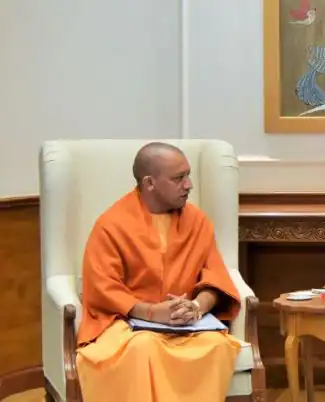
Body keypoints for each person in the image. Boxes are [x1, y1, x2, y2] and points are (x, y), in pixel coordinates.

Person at [75, 142, 243, 402]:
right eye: (179, 178)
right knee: (143, 348)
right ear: (149, 183)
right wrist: (153, 313)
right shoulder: (111, 225)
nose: (189, 185)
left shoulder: (197, 221)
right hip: (128, 325)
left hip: (187, 326)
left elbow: (215, 277)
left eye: (188, 175)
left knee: (218, 346)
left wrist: (196, 307)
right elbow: (103, 287)